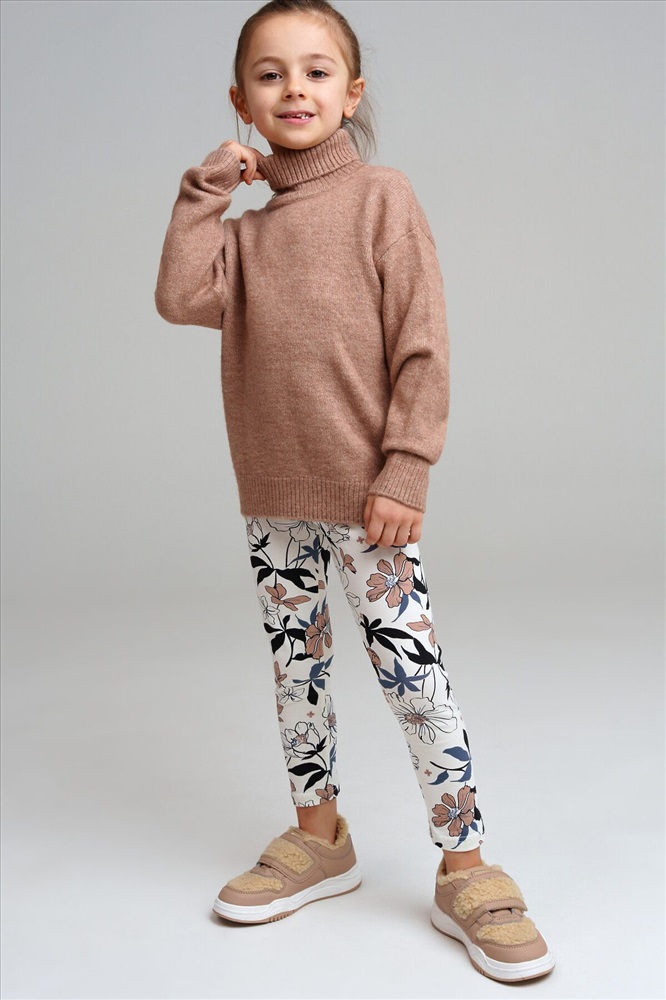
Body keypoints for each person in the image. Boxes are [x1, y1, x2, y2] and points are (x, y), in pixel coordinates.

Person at [154, 0, 555, 984]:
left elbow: (423, 339)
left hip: (370, 496)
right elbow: (179, 296)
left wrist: (407, 465)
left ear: (352, 92)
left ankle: (467, 866)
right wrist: (208, 187)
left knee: (413, 680)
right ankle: (319, 835)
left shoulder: (382, 197)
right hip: (273, 496)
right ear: (242, 100)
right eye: (271, 74)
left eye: (317, 71)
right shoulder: (245, 238)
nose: (294, 89)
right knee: (298, 673)